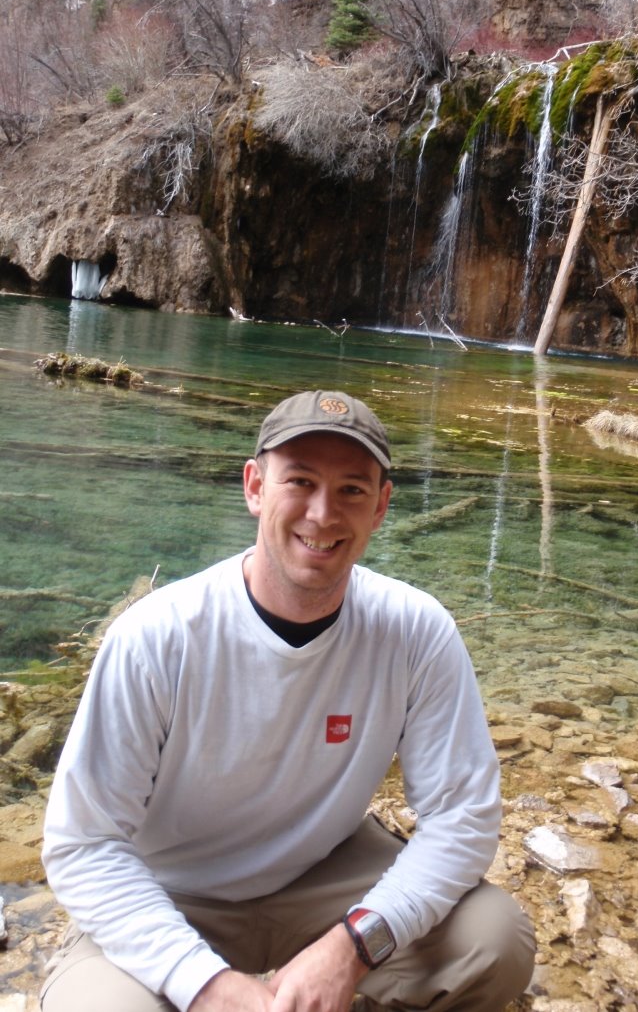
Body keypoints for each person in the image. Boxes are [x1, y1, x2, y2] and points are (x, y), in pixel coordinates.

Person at [41, 389, 536, 1012]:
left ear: (381, 506)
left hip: (323, 876)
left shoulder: (417, 631)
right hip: (170, 891)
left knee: (495, 941)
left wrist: (355, 945)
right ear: (254, 487)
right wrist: (206, 985)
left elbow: (462, 817)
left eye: (352, 490)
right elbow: (83, 844)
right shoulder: (156, 636)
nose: (323, 514)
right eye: (299, 481)